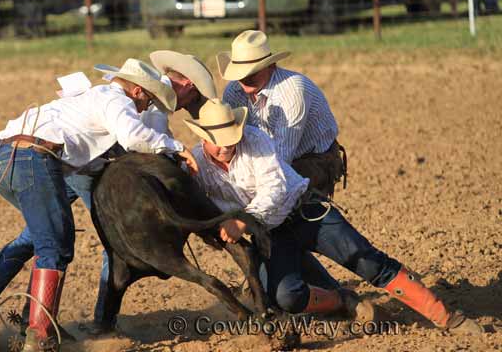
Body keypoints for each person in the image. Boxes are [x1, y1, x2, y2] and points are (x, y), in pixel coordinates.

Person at [0, 59, 198, 351]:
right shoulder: (117, 101)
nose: (146, 106)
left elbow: (89, 158)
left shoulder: (92, 97)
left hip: (4, 158)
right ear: (136, 90)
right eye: (147, 98)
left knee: (37, 237)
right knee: (56, 244)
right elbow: (134, 137)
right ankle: (39, 332)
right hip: (35, 159)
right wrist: (178, 148)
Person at [184, 98, 482, 333]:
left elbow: (273, 189)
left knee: (366, 260)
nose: (225, 145)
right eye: (217, 139)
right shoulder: (196, 164)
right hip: (271, 234)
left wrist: (240, 220)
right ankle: (342, 301)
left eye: (229, 136)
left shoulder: (255, 140)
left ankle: (447, 317)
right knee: (287, 296)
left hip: (305, 212)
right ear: (203, 138)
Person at [86, 50, 219, 336]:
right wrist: (178, 150)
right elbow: (145, 142)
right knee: (113, 239)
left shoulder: (147, 93)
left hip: (93, 158)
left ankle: (99, 321)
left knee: (45, 240)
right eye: (191, 100)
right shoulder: (157, 100)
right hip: (88, 162)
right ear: (188, 86)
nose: (185, 107)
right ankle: (103, 321)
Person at [219, 30, 345, 197]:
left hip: (312, 159)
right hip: (262, 158)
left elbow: (282, 159)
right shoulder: (233, 91)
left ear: (271, 65)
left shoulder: (293, 90)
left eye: (252, 71)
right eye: (240, 72)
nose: (245, 78)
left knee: (283, 200)